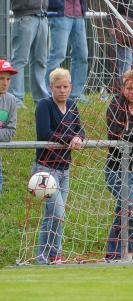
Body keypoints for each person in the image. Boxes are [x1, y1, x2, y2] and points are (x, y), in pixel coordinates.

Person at [33, 68, 85, 264]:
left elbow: (80, 129)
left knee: (51, 216)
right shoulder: (44, 105)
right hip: (45, 168)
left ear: (71, 87)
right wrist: (70, 138)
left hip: (65, 169)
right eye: (58, 87)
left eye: (65, 86)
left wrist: (79, 137)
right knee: (58, 213)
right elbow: (45, 133)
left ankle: (43, 257)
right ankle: (56, 253)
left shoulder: (72, 105)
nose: (62, 90)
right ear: (50, 88)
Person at [104, 70, 133, 261]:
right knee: (131, 209)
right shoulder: (115, 106)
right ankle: (131, 252)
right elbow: (116, 134)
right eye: (129, 88)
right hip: (116, 170)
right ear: (122, 89)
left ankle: (117, 254)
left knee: (130, 210)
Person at [45, 0, 89, 103]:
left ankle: (76, 94)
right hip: (61, 14)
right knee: (58, 55)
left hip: (79, 14)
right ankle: (48, 93)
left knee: (82, 55)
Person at [8, 0, 49, 108]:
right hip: (24, 16)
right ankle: (15, 100)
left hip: (43, 16)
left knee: (40, 61)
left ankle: (42, 100)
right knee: (19, 60)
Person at [0, 60, 18, 195]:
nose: (5, 83)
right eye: (1, 78)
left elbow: (11, 131)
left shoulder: (11, 100)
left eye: (8, 79)